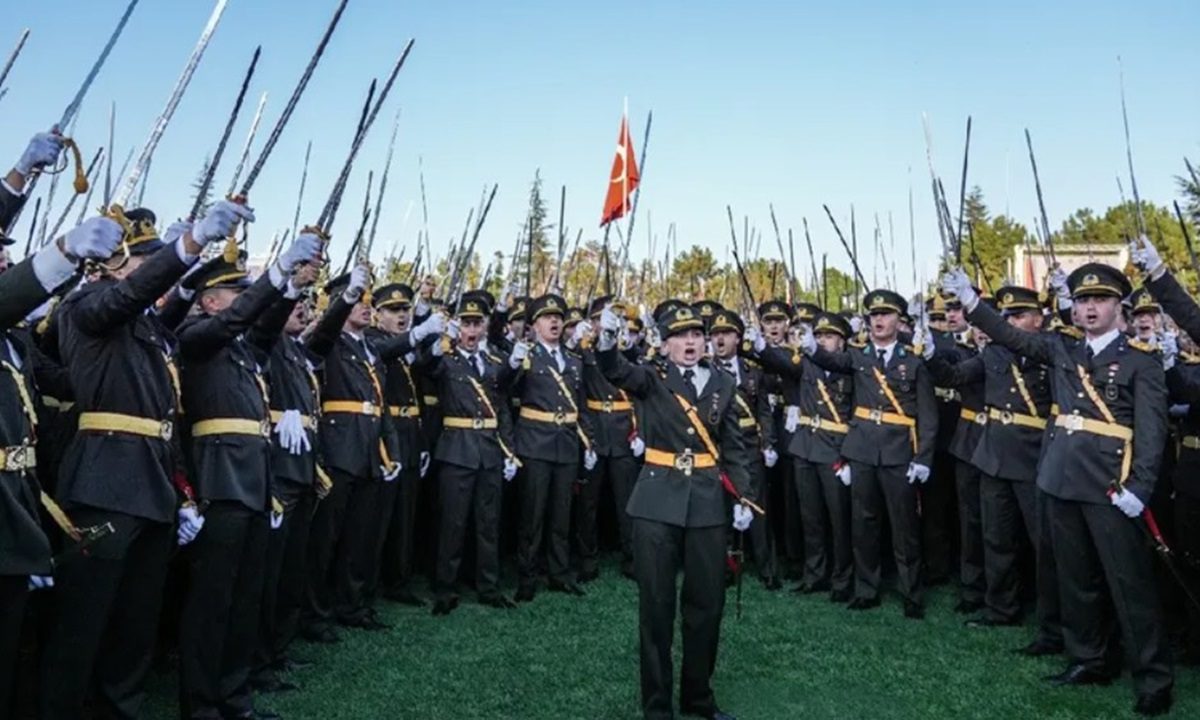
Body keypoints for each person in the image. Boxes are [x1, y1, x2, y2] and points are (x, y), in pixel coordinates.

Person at [40, 200, 250, 720]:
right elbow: (130, 296)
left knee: (135, 624)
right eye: (145, 261)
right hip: (103, 483)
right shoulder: (87, 307)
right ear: (112, 266)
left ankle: (121, 709)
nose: (154, 273)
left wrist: (181, 493)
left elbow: (166, 416)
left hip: (153, 485)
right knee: (81, 624)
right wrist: (190, 246)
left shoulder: (152, 333)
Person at [944, 261, 1173, 716]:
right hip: (1060, 478)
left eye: (1100, 300)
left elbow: (1152, 432)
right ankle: (1089, 658)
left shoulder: (1139, 361)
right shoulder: (1062, 347)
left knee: (1129, 585)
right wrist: (972, 302)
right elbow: (1013, 338)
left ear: (1119, 307)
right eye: (1083, 300)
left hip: (1111, 485)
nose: (1090, 309)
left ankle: (1153, 677)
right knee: (1075, 579)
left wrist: (1140, 487)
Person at [175, 233, 320, 720]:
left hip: (255, 482)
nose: (244, 302)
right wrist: (276, 274)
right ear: (210, 300)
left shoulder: (242, 351)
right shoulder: (196, 336)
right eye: (237, 293)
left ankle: (234, 698)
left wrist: (292, 287)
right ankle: (200, 705)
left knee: (243, 600)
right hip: (219, 481)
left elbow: (263, 324)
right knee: (212, 604)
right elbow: (242, 319)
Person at [597, 302, 755, 720]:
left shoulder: (722, 380)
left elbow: (734, 446)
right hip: (656, 500)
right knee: (656, 605)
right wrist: (607, 339)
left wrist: (743, 497)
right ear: (664, 345)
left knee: (706, 606)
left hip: (706, 503)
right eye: (680, 336)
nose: (690, 342)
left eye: (696, 335)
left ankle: (698, 698)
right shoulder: (651, 377)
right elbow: (615, 370)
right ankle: (657, 707)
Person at [0, 214, 123, 715]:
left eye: (6, 252)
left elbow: (61, 385)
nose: (4, 258)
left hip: (17, 505)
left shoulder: (15, 340)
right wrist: (65, 252)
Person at [800, 289, 938, 619]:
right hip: (862, 450)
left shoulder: (913, 360)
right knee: (863, 523)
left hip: (898, 451)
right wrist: (809, 345)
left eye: (886, 314)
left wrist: (923, 458)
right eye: (873, 315)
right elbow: (830, 359)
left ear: (899, 321)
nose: (878, 320)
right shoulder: (859, 356)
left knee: (904, 527)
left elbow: (928, 417)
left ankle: (911, 593)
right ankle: (866, 589)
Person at [749, 311, 855, 601]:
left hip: (835, 447)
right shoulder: (805, 363)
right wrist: (760, 346)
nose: (822, 341)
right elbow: (780, 362)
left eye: (829, 336)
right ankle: (814, 574)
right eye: (818, 336)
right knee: (810, 517)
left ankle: (842, 578)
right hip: (805, 446)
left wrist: (849, 454)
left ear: (842, 342)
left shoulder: (850, 367)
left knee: (839, 518)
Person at [425, 293, 519, 615]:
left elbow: (503, 405)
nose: (472, 330)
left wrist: (509, 450)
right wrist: (440, 342)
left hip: (488, 450)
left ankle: (488, 586)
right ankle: (445, 588)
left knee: (488, 523)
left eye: (477, 323)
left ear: (485, 326)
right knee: (452, 523)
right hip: (456, 448)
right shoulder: (447, 358)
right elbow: (428, 367)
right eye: (466, 323)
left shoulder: (494, 362)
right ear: (458, 326)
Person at [500, 293, 596, 600]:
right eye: (546, 317)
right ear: (533, 325)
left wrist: (588, 441)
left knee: (561, 513)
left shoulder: (574, 360)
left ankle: (559, 573)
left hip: (566, 442)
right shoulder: (526, 355)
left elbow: (580, 405)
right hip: (534, 441)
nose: (554, 321)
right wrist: (513, 364)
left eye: (558, 317)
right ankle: (527, 577)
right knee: (533, 514)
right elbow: (501, 388)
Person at [708, 308, 780, 589]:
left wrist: (769, 443)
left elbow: (764, 412)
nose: (720, 340)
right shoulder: (705, 369)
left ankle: (768, 569)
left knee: (757, 506)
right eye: (715, 335)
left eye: (725, 334)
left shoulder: (753, 372)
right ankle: (726, 568)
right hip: (719, 447)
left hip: (750, 444)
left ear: (738, 338)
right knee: (721, 510)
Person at [574, 296, 642, 581]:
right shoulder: (582, 350)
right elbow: (573, 392)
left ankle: (632, 558)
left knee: (628, 500)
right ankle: (587, 559)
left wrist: (641, 431)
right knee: (588, 502)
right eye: (603, 317)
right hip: (594, 429)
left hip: (624, 430)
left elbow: (641, 387)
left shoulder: (628, 349)